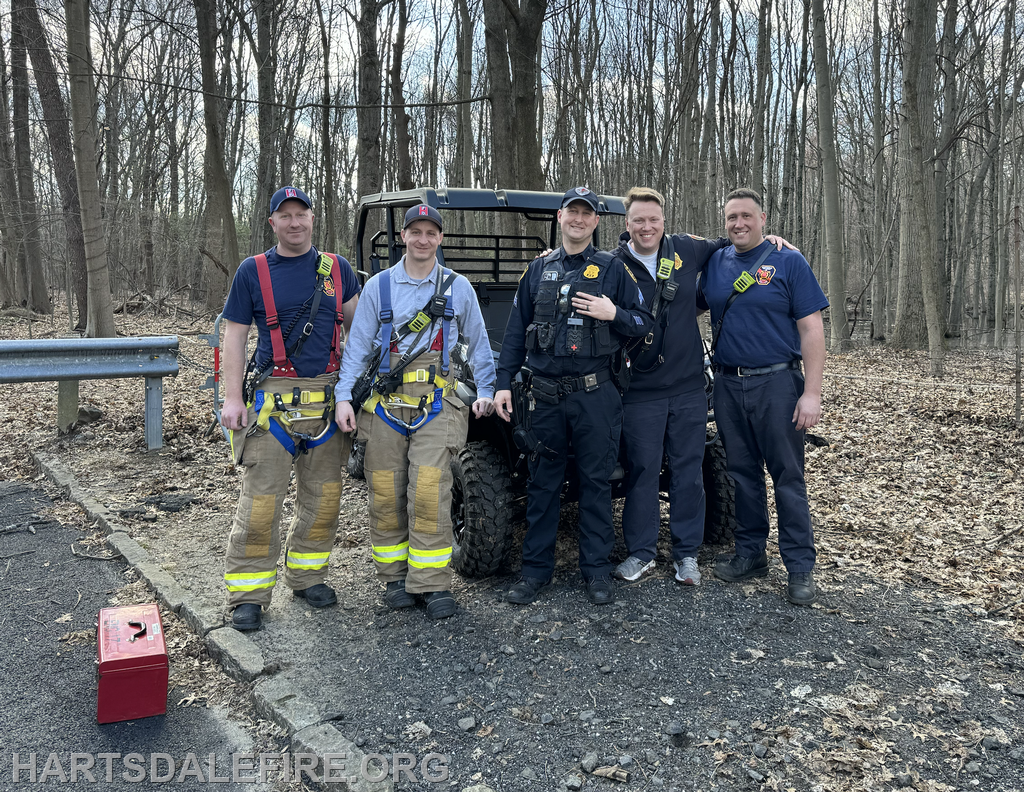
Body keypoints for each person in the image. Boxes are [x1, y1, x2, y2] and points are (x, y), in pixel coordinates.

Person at [612, 187, 792, 587]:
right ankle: (641, 552)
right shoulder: (613, 265)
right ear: (627, 224)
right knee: (641, 473)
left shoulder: (687, 250)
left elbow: (737, 240)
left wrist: (775, 243)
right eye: (638, 220)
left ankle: (686, 555)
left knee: (688, 472)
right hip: (640, 390)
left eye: (653, 219)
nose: (647, 227)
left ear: (664, 221)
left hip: (690, 388)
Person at [334, 204, 496, 620]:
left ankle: (431, 583)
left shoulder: (458, 288)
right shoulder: (380, 287)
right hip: (384, 407)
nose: (423, 239)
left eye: (431, 232)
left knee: (430, 491)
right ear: (403, 236)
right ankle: (394, 578)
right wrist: (343, 397)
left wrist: (488, 391)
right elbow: (357, 349)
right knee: (387, 491)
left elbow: (479, 344)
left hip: (437, 404)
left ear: (440, 239)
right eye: (415, 231)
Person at [494, 186, 653, 607]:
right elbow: (515, 333)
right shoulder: (538, 269)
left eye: (587, 213)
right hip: (543, 397)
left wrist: (612, 313)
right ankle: (535, 572)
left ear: (597, 222)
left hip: (595, 395)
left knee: (595, 483)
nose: (579, 219)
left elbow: (643, 321)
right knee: (542, 484)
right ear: (560, 218)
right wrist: (501, 384)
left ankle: (597, 571)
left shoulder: (615, 269)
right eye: (572, 212)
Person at [220, 185, 361, 631]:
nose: (295, 222)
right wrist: (231, 398)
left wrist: (352, 394)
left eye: (302, 214)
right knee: (261, 502)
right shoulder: (252, 271)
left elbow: (360, 334)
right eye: (286, 215)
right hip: (271, 407)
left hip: (327, 404)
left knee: (324, 500)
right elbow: (235, 338)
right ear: (273, 223)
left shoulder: (338, 270)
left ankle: (308, 577)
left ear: (313, 218)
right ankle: (249, 592)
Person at [699, 188, 827, 606]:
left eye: (746, 216)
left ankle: (800, 567)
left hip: (777, 383)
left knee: (787, 477)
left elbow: (811, 329)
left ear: (763, 218)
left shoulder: (788, 261)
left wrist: (811, 393)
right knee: (742, 474)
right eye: (732, 217)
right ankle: (751, 553)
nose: (739, 224)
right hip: (728, 384)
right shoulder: (716, 263)